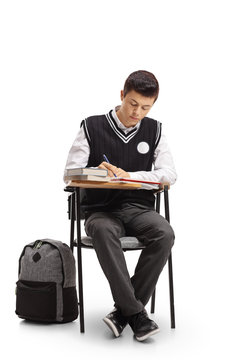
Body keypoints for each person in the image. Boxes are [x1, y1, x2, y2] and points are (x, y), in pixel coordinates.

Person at [64, 70, 177, 341]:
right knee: (102, 230)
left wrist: (128, 176)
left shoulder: (155, 130)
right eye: (133, 104)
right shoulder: (91, 126)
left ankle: (123, 312)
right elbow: (70, 173)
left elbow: (169, 174)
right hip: (100, 210)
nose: (138, 112)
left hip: (139, 209)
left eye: (146, 107)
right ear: (122, 95)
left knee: (165, 234)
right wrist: (96, 171)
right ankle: (137, 313)